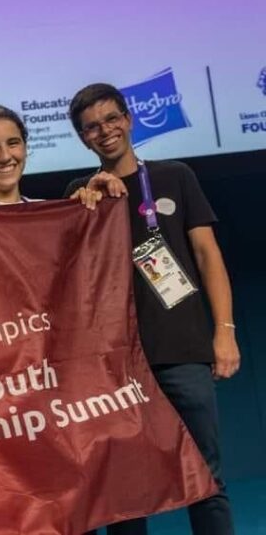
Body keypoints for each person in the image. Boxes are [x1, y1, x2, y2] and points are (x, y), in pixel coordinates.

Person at [65, 83, 238, 535]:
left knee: (206, 478)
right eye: (91, 127)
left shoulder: (175, 176)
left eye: (111, 119)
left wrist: (225, 331)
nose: (104, 131)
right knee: (124, 492)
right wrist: (83, 204)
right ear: (82, 138)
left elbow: (207, 256)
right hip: (115, 366)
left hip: (181, 350)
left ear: (128, 118)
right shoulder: (79, 194)